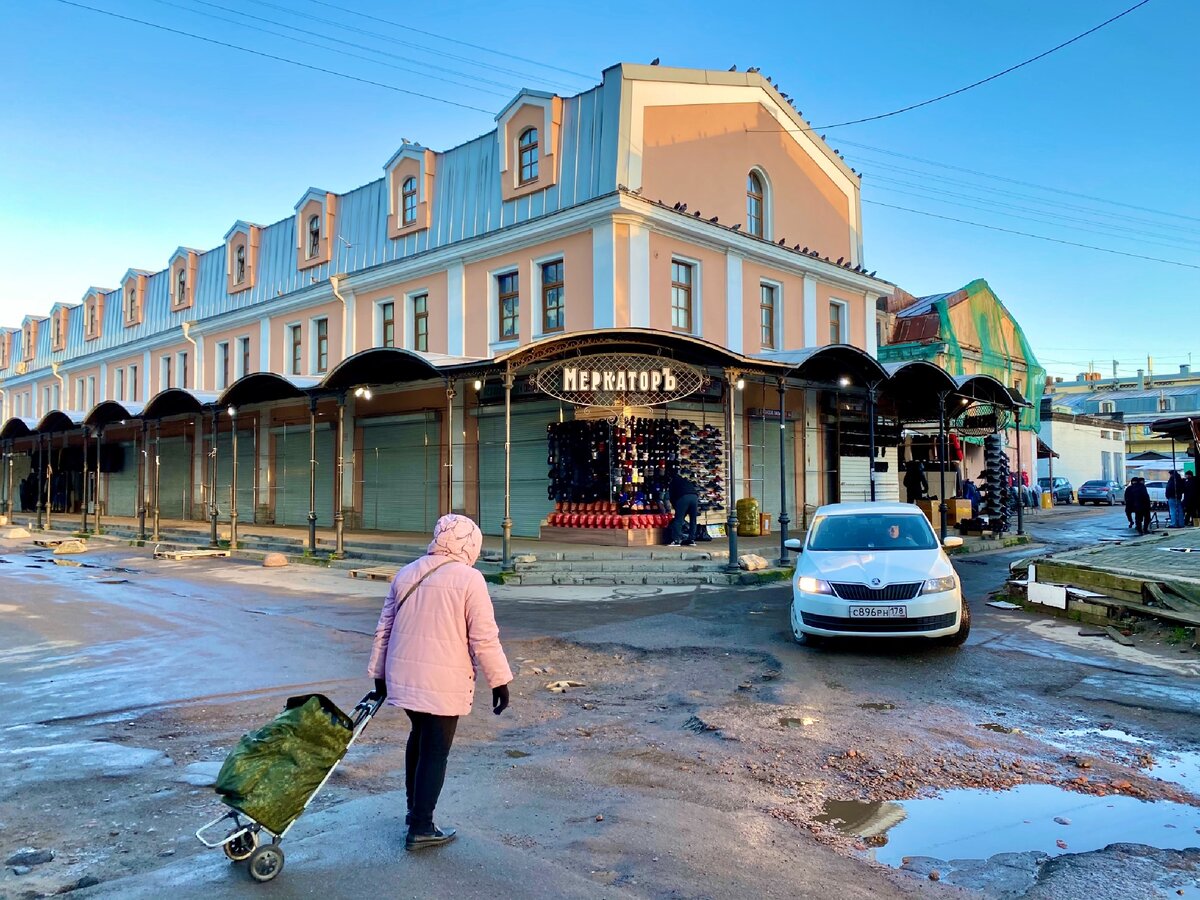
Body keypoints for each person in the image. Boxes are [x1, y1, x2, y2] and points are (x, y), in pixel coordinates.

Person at [368, 513, 513, 851]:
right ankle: (421, 826)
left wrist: (379, 675)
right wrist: (500, 682)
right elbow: (484, 637)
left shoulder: (407, 572)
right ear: (469, 543)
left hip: (402, 676)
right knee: (435, 750)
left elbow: (384, 628)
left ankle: (413, 811)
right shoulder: (469, 579)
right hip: (443, 680)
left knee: (418, 738)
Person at [668, 470, 699, 547]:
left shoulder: (673, 483)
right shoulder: (685, 480)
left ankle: (676, 540)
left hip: (683, 498)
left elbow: (672, 497)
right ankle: (691, 540)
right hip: (694, 497)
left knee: (678, 519)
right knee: (693, 519)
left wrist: (676, 508)